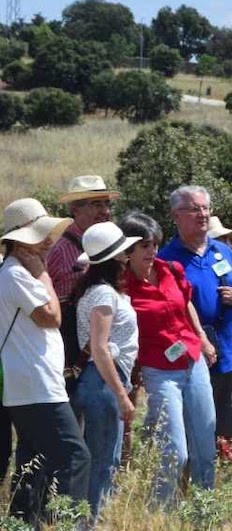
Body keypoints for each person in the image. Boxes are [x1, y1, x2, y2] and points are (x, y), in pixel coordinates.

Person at [0, 198, 90, 524]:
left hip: (27, 382)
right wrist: (44, 275)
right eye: (41, 235)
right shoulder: (18, 275)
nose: (49, 241)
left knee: (34, 460)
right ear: (24, 240)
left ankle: (23, 523)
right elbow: (50, 316)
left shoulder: (8, 272)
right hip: (36, 384)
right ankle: (64, 523)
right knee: (74, 456)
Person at [119, 211, 218, 503]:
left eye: (155, 245)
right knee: (174, 450)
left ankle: (204, 514)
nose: (152, 252)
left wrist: (201, 338)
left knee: (205, 447)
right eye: (145, 246)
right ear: (128, 250)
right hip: (159, 371)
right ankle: (160, 513)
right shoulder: (122, 286)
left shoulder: (170, 269)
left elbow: (187, 305)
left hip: (192, 359)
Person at [158, 185, 232, 464]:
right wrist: (198, 339)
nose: (202, 215)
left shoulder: (222, 251)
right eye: (194, 209)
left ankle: (216, 496)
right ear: (176, 215)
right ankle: (186, 496)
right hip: (188, 359)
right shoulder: (166, 258)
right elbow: (166, 312)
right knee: (191, 433)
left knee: (225, 432)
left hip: (226, 358)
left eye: (205, 208)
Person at [70, 221, 140, 516]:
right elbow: (99, 348)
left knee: (101, 458)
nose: (128, 258)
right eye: (124, 253)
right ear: (117, 258)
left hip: (98, 381)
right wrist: (122, 394)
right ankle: (91, 521)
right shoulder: (103, 294)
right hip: (103, 382)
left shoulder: (100, 291)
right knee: (103, 460)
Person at [46, 175, 121, 397]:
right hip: (69, 347)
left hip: (107, 342)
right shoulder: (58, 250)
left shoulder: (112, 242)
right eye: (96, 204)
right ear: (74, 209)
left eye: (107, 203)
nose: (105, 211)